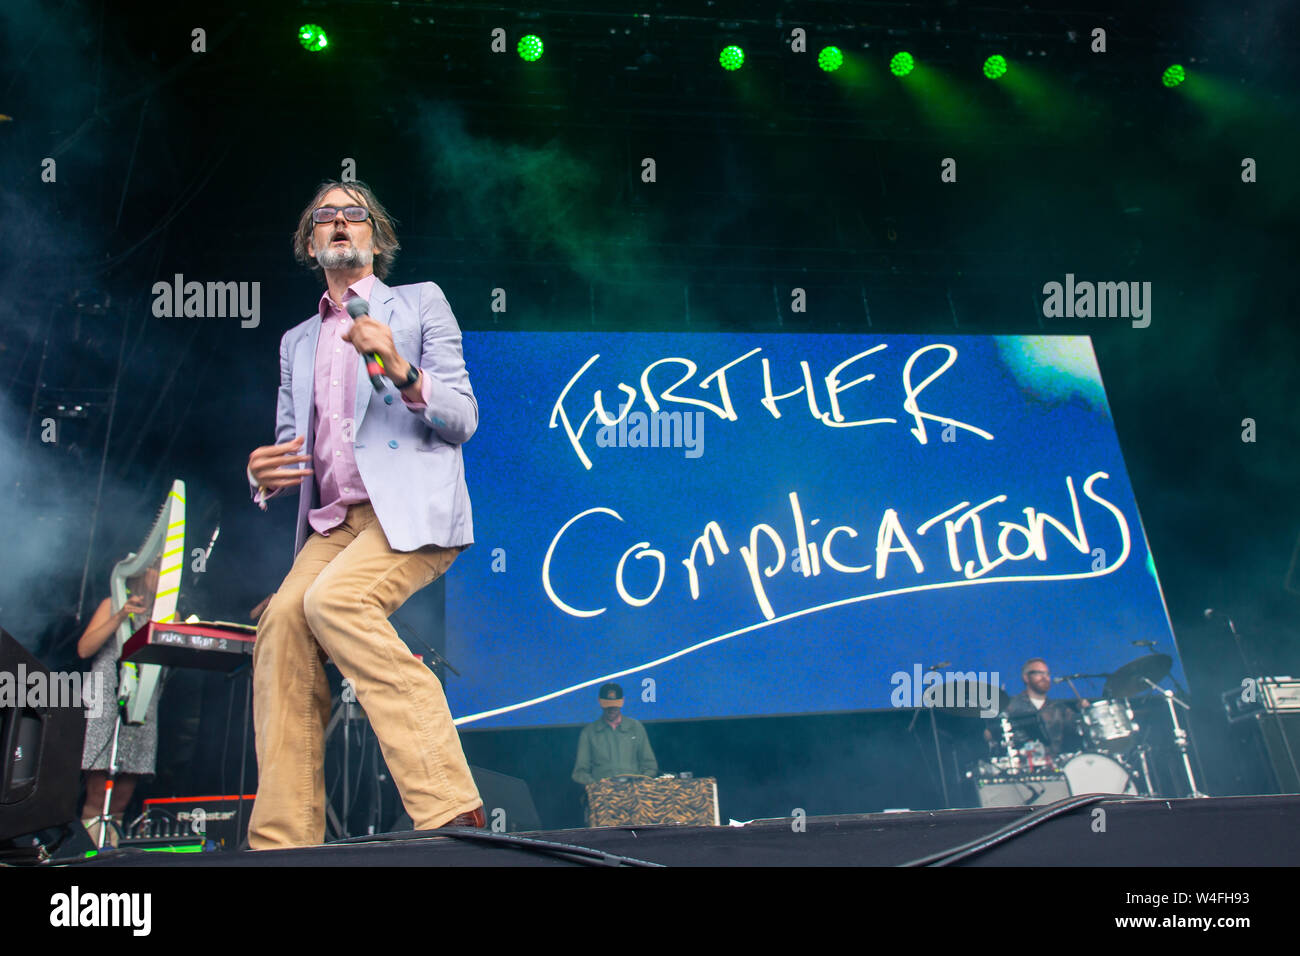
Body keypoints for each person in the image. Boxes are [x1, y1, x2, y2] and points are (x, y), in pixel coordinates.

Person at [244, 180, 482, 849]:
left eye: (355, 215)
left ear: (376, 237)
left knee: (334, 605)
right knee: (283, 628)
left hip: (407, 513)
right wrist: (262, 478)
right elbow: (292, 447)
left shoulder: (419, 303)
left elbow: (462, 419)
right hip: (334, 521)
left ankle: (448, 805)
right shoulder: (296, 341)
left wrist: (400, 368)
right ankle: (283, 839)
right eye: (326, 216)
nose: (340, 222)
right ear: (310, 243)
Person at [76, 563, 161, 847]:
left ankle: (112, 851)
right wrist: (121, 615)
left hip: (143, 705)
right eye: (155, 568)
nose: (160, 575)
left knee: (124, 792)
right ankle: (88, 852)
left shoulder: (167, 613)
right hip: (107, 698)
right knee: (97, 792)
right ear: (140, 571)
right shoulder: (113, 602)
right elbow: (85, 648)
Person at [572, 683, 658, 785]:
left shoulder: (635, 727)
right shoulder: (589, 732)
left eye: (615, 705)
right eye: (608, 705)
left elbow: (650, 766)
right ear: (599, 701)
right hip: (603, 794)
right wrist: (596, 786)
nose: (612, 709)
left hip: (633, 793)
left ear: (623, 701)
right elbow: (580, 772)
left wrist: (639, 784)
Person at [1002, 657, 1087, 757]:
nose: (1044, 677)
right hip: (1022, 765)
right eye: (1039, 673)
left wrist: (1085, 713)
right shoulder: (1010, 706)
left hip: (1056, 766)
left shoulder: (1059, 709)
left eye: (1047, 674)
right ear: (1026, 677)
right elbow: (992, 734)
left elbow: (1078, 732)